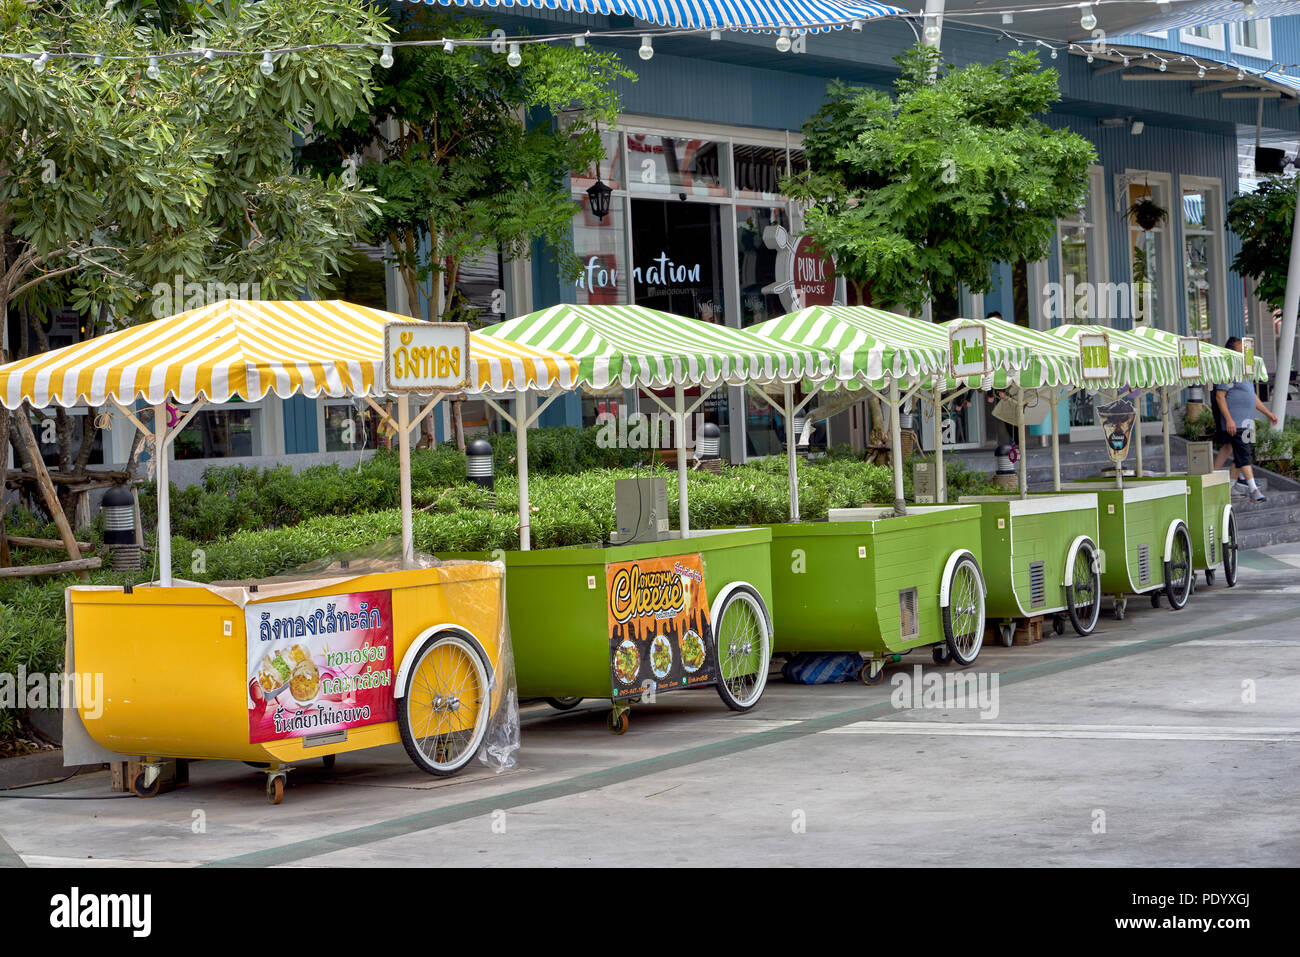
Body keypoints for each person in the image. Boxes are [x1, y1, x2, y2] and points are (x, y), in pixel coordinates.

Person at [1213, 336, 1279, 503]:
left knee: (1242, 454)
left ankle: (1229, 486)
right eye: (1241, 350)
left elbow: (1252, 396)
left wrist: (1267, 413)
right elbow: (1220, 397)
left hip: (1247, 421)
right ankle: (1254, 490)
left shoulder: (1246, 372)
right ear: (1232, 352)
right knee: (1243, 453)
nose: (1245, 353)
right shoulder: (1226, 370)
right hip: (1236, 421)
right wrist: (1228, 420)